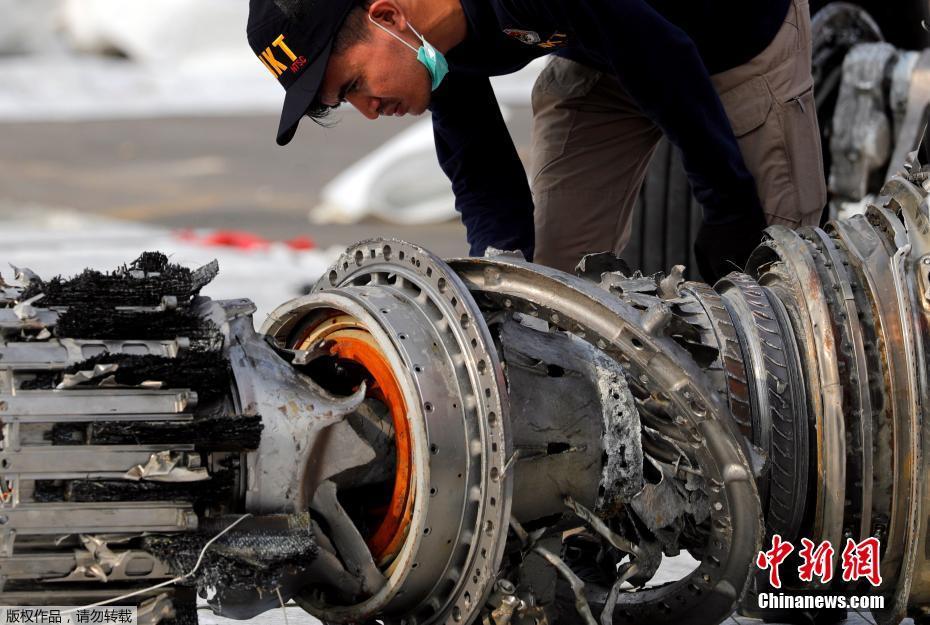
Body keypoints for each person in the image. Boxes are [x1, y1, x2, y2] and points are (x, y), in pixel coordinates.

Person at [247, 0, 826, 282]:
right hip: (605, 47)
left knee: (771, 279)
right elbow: (478, 164)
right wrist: (499, 279)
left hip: (733, 36)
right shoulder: (424, 44)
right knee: (548, 290)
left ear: (386, 14)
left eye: (352, 85)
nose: (367, 111)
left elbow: (662, 56)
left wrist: (727, 205)